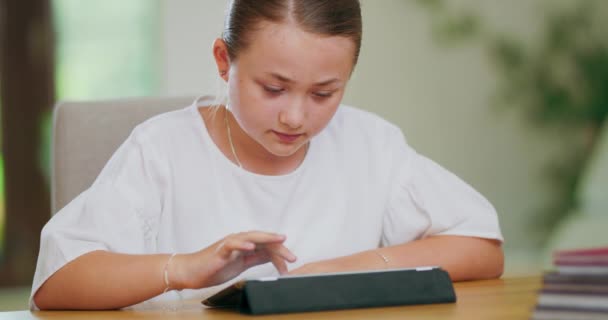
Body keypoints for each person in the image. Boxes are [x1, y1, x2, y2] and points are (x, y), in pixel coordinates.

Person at [31, 0, 504, 311]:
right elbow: (57, 281)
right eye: (273, 88)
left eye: (324, 93)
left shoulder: (370, 144)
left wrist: (338, 269)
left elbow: (482, 247)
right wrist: (186, 268)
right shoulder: (161, 151)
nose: (296, 117)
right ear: (223, 60)